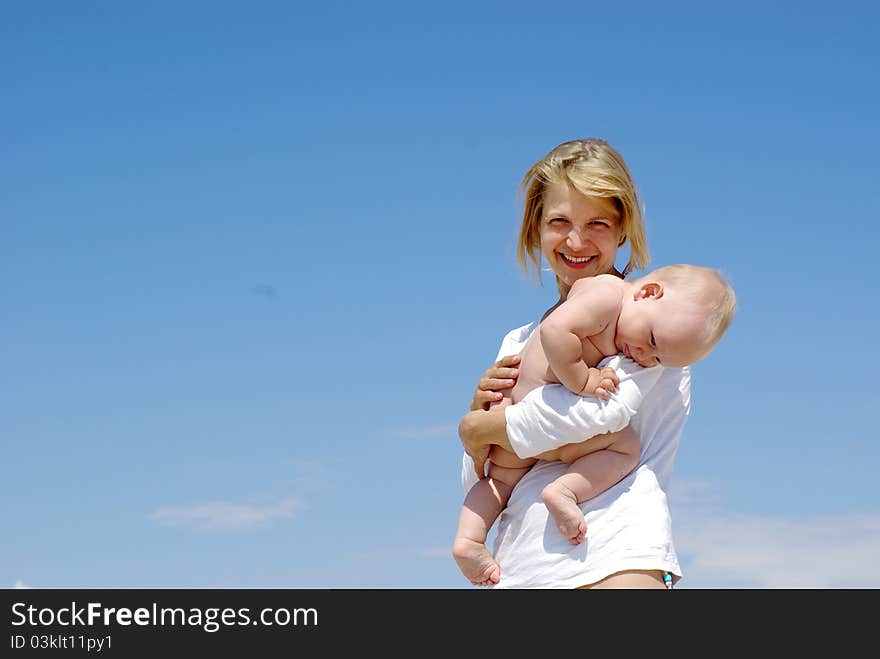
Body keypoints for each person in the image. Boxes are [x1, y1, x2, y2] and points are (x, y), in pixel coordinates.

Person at [454, 137, 724, 589]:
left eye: (597, 223)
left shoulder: (651, 327)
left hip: (616, 556)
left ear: (623, 230)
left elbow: (593, 414)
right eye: (559, 221)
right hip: (523, 567)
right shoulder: (518, 340)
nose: (576, 240)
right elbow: (485, 474)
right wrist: (481, 416)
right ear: (535, 230)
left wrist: (478, 428)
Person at [453, 263, 735, 585]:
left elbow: (605, 410)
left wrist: (485, 426)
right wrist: (582, 379)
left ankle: (469, 539)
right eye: (651, 340)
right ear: (647, 292)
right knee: (625, 448)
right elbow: (555, 332)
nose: (643, 355)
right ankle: (564, 490)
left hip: (523, 435)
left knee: (498, 484)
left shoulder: (645, 336)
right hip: (534, 445)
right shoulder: (606, 296)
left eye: (657, 359)